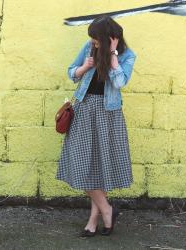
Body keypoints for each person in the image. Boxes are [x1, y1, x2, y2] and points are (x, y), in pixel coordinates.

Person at [55, 15, 137, 237]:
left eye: (96, 39)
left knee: (100, 167)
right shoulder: (89, 47)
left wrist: (112, 56)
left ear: (109, 39)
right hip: (84, 110)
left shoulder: (128, 56)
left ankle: (94, 220)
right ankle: (108, 210)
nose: (93, 42)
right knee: (81, 164)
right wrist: (83, 67)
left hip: (108, 114)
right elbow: (72, 72)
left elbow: (120, 83)